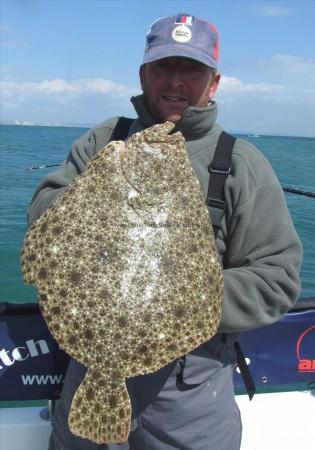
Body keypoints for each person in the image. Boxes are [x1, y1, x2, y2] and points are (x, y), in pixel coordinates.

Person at [27, 13, 302, 450]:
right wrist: (95, 193)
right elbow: (42, 217)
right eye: (164, 67)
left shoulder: (242, 164)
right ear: (143, 75)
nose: (176, 81)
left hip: (189, 394)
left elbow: (276, 279)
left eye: (192, 70)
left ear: (213, 83)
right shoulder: (106, 140)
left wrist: (181, 300)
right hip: (88, 365)